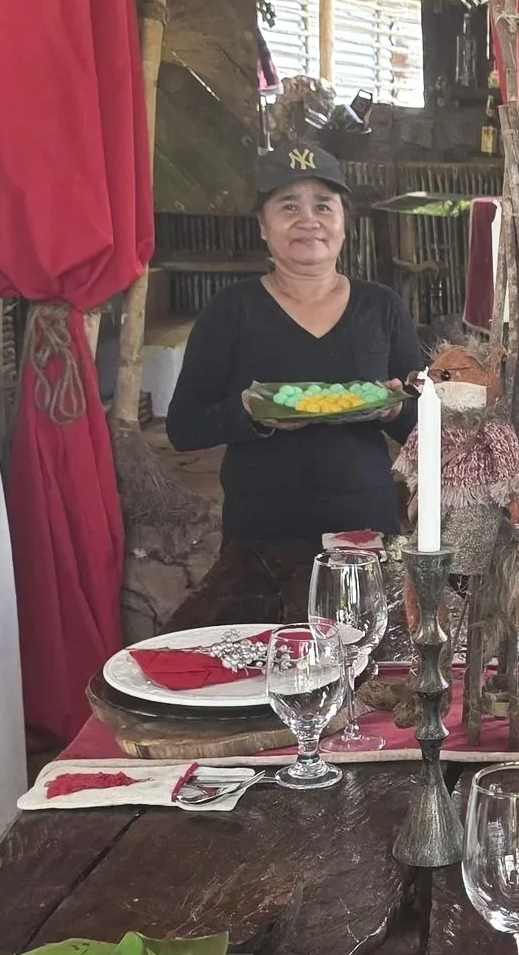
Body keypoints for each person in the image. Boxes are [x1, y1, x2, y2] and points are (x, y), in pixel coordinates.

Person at [165, 148, 427, 613]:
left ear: (344, 222)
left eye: (323, 205)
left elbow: (423, 427)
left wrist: (394, 409)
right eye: (289, 206)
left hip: (364, 530)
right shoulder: (231, 311)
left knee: (364, 648)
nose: (308, 220)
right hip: (259, 535)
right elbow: (184, 427)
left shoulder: (381, 307)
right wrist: (247, 414)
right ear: (263, 226)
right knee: (264, 649)